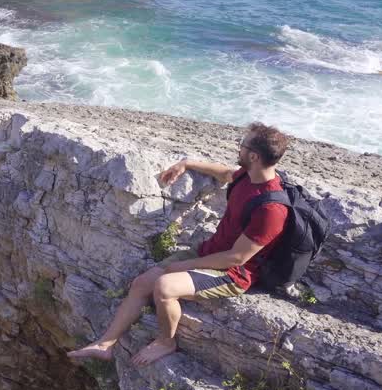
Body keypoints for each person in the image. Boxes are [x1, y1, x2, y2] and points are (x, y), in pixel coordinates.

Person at [68, 123, 291, 367]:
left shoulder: (271, 209)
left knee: (164, 287)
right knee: (142, 283)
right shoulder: (247, 176)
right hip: (210, 251)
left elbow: (236, 258)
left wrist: (186, 265)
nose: (238, 148)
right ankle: (105, 345)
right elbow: (226, 173)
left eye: (242, 145)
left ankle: (166, 342)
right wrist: (187, 163)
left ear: (254, 156)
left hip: (233, 273)